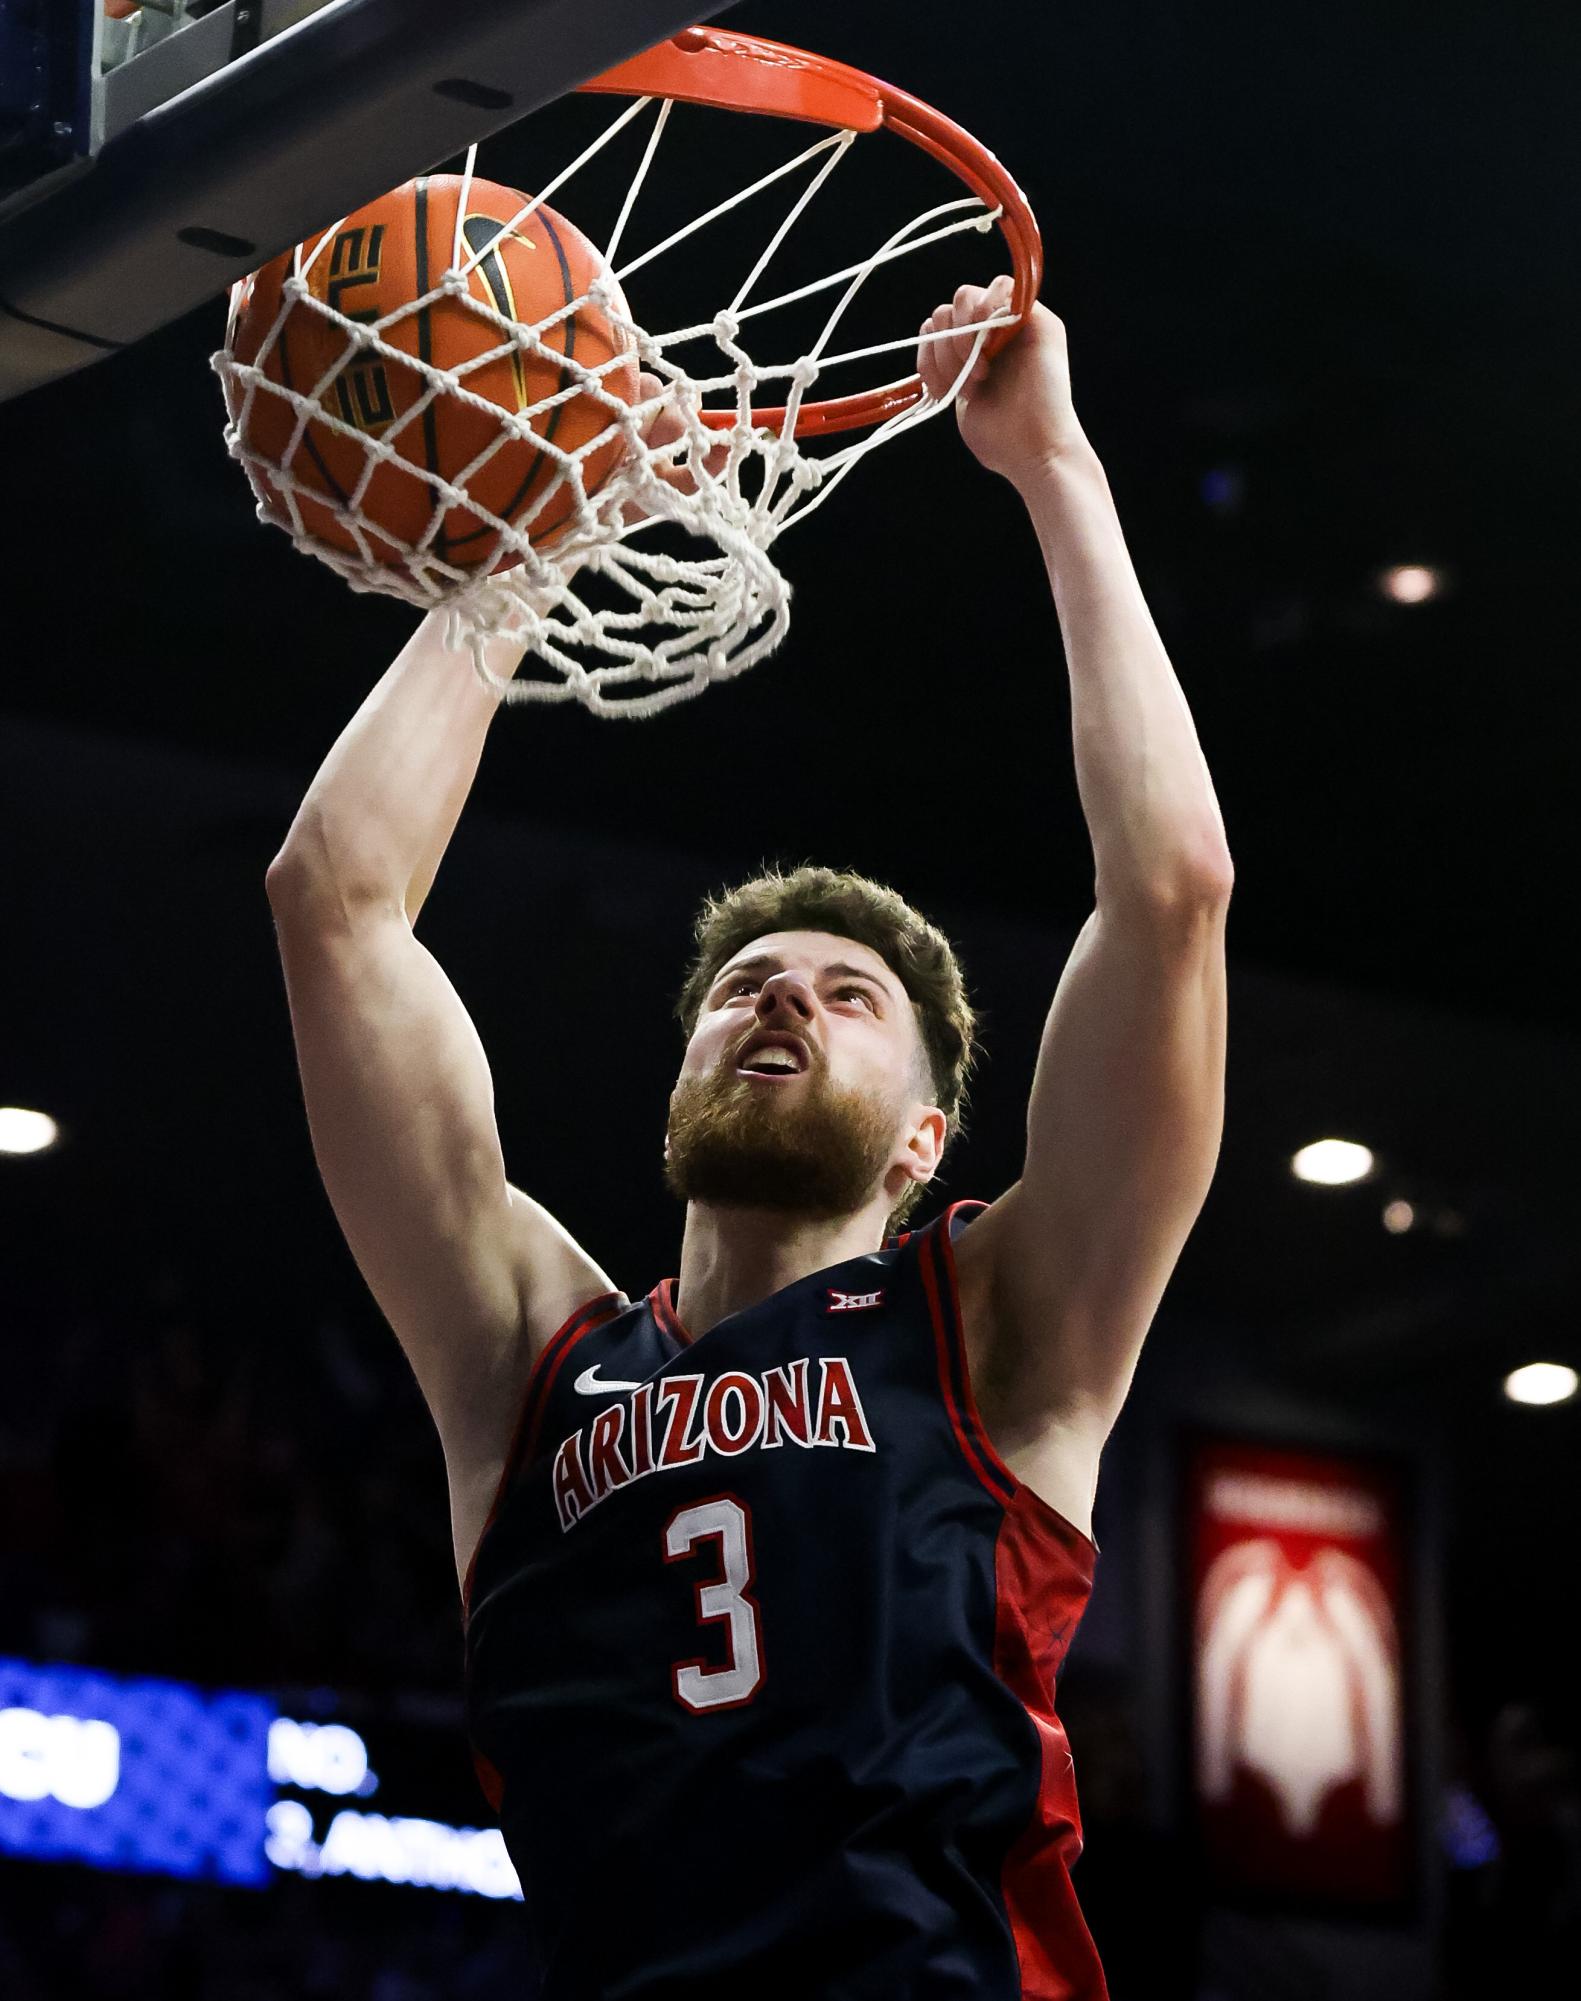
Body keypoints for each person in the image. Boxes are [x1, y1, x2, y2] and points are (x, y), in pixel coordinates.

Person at [265, 276, 1232, 2000]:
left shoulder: (998, 1331)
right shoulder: (529, 1353)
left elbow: (1168, 896)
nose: (780, 1002)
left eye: (847, 996)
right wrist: (536, 534)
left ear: (924, 1139)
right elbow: (333, 902)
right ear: (680, 1077)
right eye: (744, 987)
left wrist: (1054, 469)